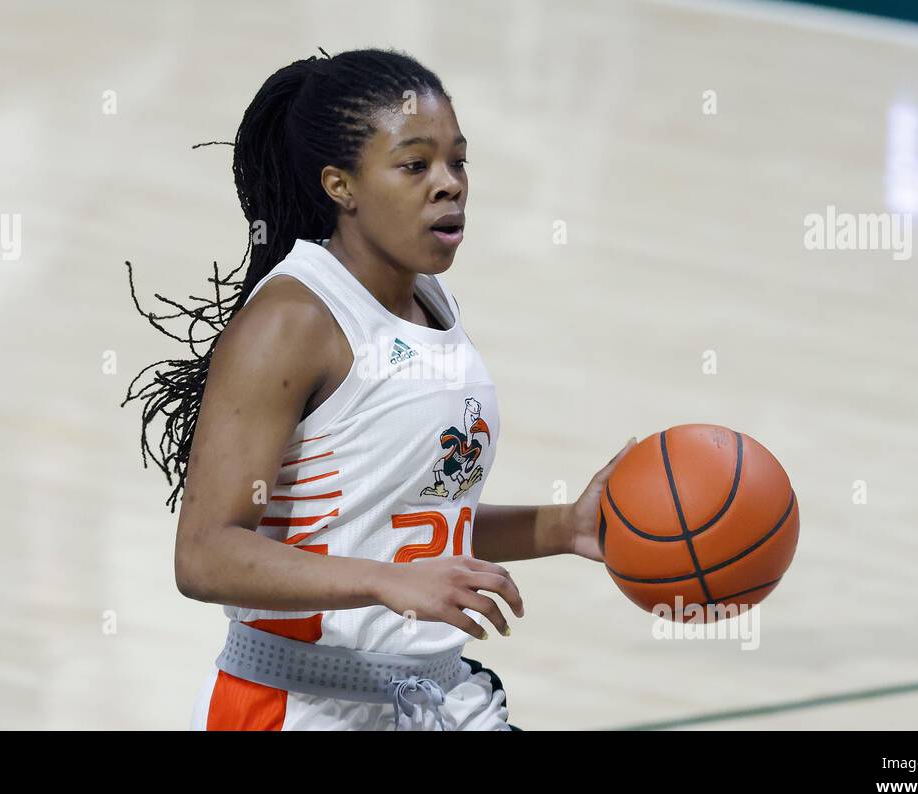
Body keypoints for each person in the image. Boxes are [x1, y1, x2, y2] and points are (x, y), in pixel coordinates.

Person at [124, 47, 635, 730]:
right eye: (415, 164)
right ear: (342, 186)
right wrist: (383, 582)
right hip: (296, 708)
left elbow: (396, 524)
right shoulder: (292, 321)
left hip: (431, 701)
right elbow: (204, 551)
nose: (449, 183)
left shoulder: (432, 303)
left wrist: (561, 525)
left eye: (458, 161)